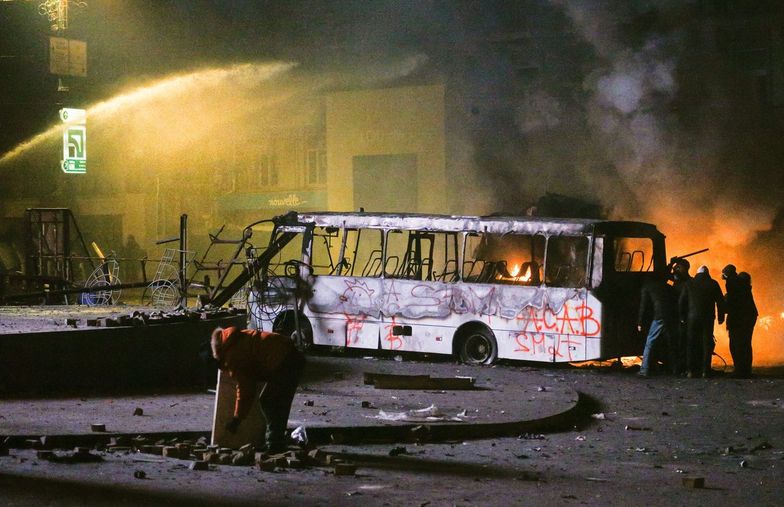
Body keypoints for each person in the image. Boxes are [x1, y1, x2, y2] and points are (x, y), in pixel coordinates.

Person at [210, 326, 306, 453]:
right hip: (289, 355)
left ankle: (274, 444)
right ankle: (276, 441)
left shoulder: (233, 355)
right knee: (277, 402)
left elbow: (246, 389)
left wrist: (237, 418)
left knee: (269, 401)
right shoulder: (234, 339)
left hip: (286, 360)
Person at [679, 265, 725, 378]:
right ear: (707, 274)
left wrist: (682, 317)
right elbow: (720, 302)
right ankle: (705, 371)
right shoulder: (713, 283)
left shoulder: (689, 283)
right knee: (707, 344)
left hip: (692, 318)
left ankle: (690, 371)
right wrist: (721, 317)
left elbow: (681, 302)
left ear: (697, 273)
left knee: (691, 343)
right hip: (708, 319)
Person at [637, 272, 678, 376]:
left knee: (650, 342)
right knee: (672, 343)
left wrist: (640, 322)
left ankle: (644, 370)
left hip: (659, 317)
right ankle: (675, 370)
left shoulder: (647, 287)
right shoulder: (668, 287)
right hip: (671, 317)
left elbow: (643, 306)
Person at [725, 271, 758, 378]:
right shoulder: (745, 290)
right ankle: (745, 370)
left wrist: (729, 276)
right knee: (745, 344)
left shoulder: (739, 291)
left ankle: (740, 370)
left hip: (740, 320)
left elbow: (728, 306)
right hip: (747, 318)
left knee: (737, 345)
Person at [668, 258, 692, 375]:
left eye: (678, 267)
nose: (675, 269)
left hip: (684, 317)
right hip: (677, 316)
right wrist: (672, 264)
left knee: (683, 342)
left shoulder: (688, 282)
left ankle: (683, 368)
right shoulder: (679, 280)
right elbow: (665, 274)